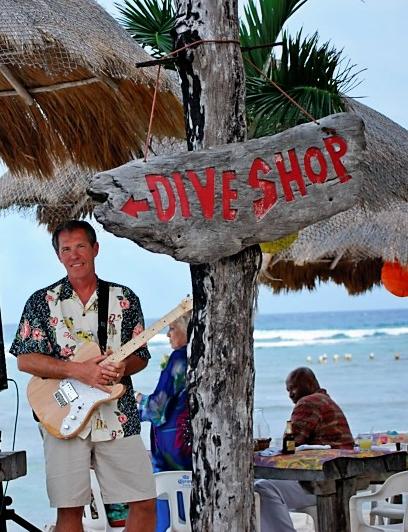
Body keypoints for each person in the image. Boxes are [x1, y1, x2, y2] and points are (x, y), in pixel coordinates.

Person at [10, 220, 156, 532]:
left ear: (95, 249)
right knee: (69, 512)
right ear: (58, 256)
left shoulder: (124, 298)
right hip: (63, 417)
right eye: (66, 249)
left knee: (144, 502)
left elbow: (141, 356)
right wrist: (79, 371)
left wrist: (123, 368)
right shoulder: (41, 302)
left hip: (118, 417)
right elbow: (25, 359)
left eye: (80, 246)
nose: (74, 255)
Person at [255, 367, 354, 532]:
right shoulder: (325, 400)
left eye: (293, 388)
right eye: (288, 390)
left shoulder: (308, 402)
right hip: (344, 481)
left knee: (261, 488)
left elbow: (290, 443)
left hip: (323, 483)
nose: (290, 394)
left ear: (308, 384)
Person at [135, 311, 193, 531]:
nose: (168, 335)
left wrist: (136, 401)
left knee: (166, 506)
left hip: (174, 450)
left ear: (187, 329)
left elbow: (157, 408)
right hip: (190, 445)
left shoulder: (179, 358)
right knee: (186, 512)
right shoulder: (201, 356)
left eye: (172, 329)